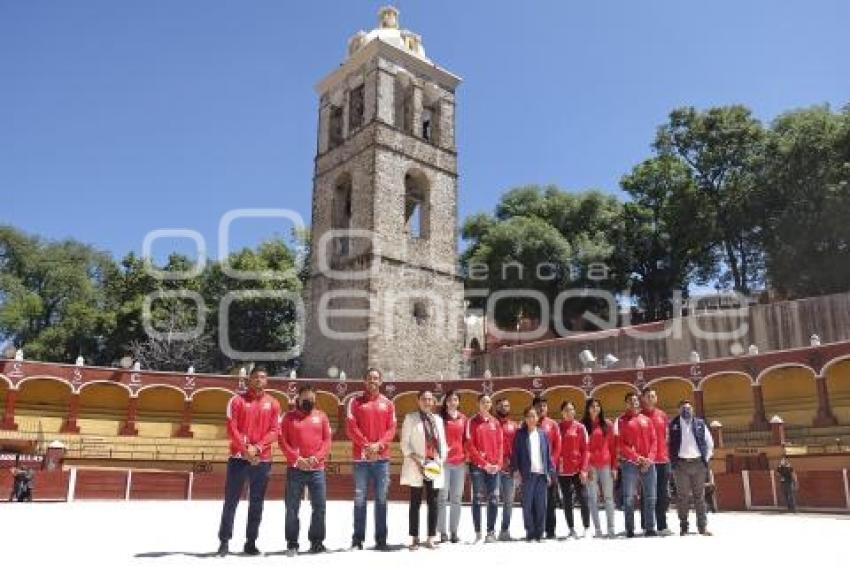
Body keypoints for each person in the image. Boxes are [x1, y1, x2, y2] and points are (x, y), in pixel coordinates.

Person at [217, 367, 281, 557]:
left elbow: (275, 430)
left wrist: (258, 448)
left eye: (263, 377)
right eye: (256, 377)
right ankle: (224, 541)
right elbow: (231, 429)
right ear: (249, 379)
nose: (259, 380)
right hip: (239, 458)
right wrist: (246, 450)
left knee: (256, 503)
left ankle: (251, 542)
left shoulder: (274, 403)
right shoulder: (236, 400)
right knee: (231, 501)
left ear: (267, 381)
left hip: (262, 459)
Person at [346, 368, 397, 551]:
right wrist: (367, 446)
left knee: (381, 499)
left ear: (381, 381)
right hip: (361, 459)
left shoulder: (388, 404)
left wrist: (379, 446)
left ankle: (381, 540)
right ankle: (357, 540)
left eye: (376, 378)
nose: (373, 381)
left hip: (382, 460)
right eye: (369, 378)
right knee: (360, 497)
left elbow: (391, 429)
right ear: (364, 381)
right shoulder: (355, 402)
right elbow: (351, 428)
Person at [279, 385, 332, 556]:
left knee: (320, 507)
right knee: (292, 507)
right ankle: (292, 543)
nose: (308, 402)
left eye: (311, 399)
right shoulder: (288, 417)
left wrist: (316, 458)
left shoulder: (322, 416)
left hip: (317, 469)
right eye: (305, 399)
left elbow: (327, 441)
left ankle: (317, 542)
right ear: (298, 399)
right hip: (296, 469)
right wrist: (296, 459)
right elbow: (282, 441)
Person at [401, 390, 448, 550]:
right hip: (417, 465)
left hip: (434, 465)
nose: (427, 402)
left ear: (433, 402)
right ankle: (414, 537)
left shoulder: (438, 420)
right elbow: (404, 444)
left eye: (430, 399)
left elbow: (443, 443)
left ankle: (431, 538)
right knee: (415, 502)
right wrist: (418, 461)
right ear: (418, 401)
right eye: (424, 399)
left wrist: (440, 461)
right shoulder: (411, 418)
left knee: (433, 503)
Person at [511, 406, 556, 542]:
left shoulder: (542, 434)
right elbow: (515, 453)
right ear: (525, 418)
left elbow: (547, 456)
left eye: (534, 416)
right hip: (527, 474)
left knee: (541, 505)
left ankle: (540, 533)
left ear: (537, 418)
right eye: (529, 416)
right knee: (527, 505)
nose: (531, 418)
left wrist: (549, 473)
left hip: (542, 475)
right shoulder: (520, 434)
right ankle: (530, 533)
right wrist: (516, 471)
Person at [616, 391, 658, 538]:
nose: (634, 402)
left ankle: (650, 527)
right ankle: (630, 528)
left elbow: (654, 441)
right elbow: (621, 444)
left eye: (636, 400)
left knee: (651, 496)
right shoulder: (621, 421)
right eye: (630, 400)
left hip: (649, 464)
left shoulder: (646, 419)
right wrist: (637, 457)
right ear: (626, 403)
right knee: (629, 497)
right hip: (630, 464)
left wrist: (650, 459)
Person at [669, 399, 714, 535]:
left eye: (688, 408)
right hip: (681, 464)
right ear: (678, 410)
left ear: (693, 410)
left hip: (698, 464)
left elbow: (709, 442)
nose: (686, 410)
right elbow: (667, 443)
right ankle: (684, 526)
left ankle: (702, 527)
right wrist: (673, 461)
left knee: (699, 496)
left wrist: (705, 459)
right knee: (682, 497)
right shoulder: (672, 425)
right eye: (683, 408)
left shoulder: (700, 424)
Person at [465, 393, 503, 543]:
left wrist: (498, 464)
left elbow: (500, 445)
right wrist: (484, 463)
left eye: (488, 402)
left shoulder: (496, 423)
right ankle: (478, 532)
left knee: (493, 499)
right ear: (478, 404)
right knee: (478, 499)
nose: (486, 404)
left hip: (494, 468)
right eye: (483, 402)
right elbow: (469, 445)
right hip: (478, 467)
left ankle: (491, 532)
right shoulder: (472, 422)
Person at [581, 398, 617, 538]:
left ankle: (611, 528)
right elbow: (584, 448)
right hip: (590, 466)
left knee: (608, 497)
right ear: (587, 409)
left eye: (597, 406)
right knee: (593, 498)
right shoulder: (583, 426)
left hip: (606, 465)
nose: (595, 408)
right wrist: (585, 468)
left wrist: (614, 467)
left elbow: (613, 447)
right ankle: (597, 529)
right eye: (592, 406)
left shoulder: (607, 424)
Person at [640, 387, 672, 535]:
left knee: (662, 494)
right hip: (646, 461)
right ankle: (647, 524)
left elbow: (666, 436)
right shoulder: (639, 416)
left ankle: (662, 525)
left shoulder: (662, 415)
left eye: (653, 396)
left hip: (663, 460)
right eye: (648, 396)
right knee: (647, 494)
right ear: (643, 399)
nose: (651, 398)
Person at [437, 390, 467, 544]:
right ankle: (442, 532)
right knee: (442, 498)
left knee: (456, 498)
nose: (453, 402)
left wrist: (466, 454)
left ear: (458, 402)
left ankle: (454, 531)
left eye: (455, 399)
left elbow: (466, 440)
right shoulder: (440, 419)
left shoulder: (464, 419)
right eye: (450, 400)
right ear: (445, 402)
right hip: (444, 463)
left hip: (460, 463)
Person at [557, 401, 590, 538]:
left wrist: (584, 469)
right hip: (563, 470)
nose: (569, 412)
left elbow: (586, 450)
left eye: (571, 409)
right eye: (566, 410)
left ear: (575, 411)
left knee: (583, 498)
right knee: (567, 500)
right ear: (562, 413)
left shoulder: (580, 427)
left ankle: (587, 527)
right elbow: (554, 448)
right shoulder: (557, 427)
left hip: (578, 469)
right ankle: (571, 528)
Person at [532, 396, 561, 539]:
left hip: (549, 470)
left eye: (544, 405)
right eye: (539, 406)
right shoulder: (529, 423)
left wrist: (551, 466)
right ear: (533, 408)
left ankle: (550, 530)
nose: (542, 408)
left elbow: (557, 447)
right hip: (533, 469)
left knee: (550, 501)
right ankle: (536, 530)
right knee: (534, 501)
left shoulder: (553, 424)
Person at [495, 397, 519, 541]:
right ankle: (490, 530)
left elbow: (518, 447)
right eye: (502, 405)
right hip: (495, 469)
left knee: (509, 501)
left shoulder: (514, 425)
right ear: (496, 407)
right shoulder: (492, 424)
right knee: (494, 500)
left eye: (507, 405)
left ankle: (505, 530)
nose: (505, 407)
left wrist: (515, 465)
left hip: (510, 469)